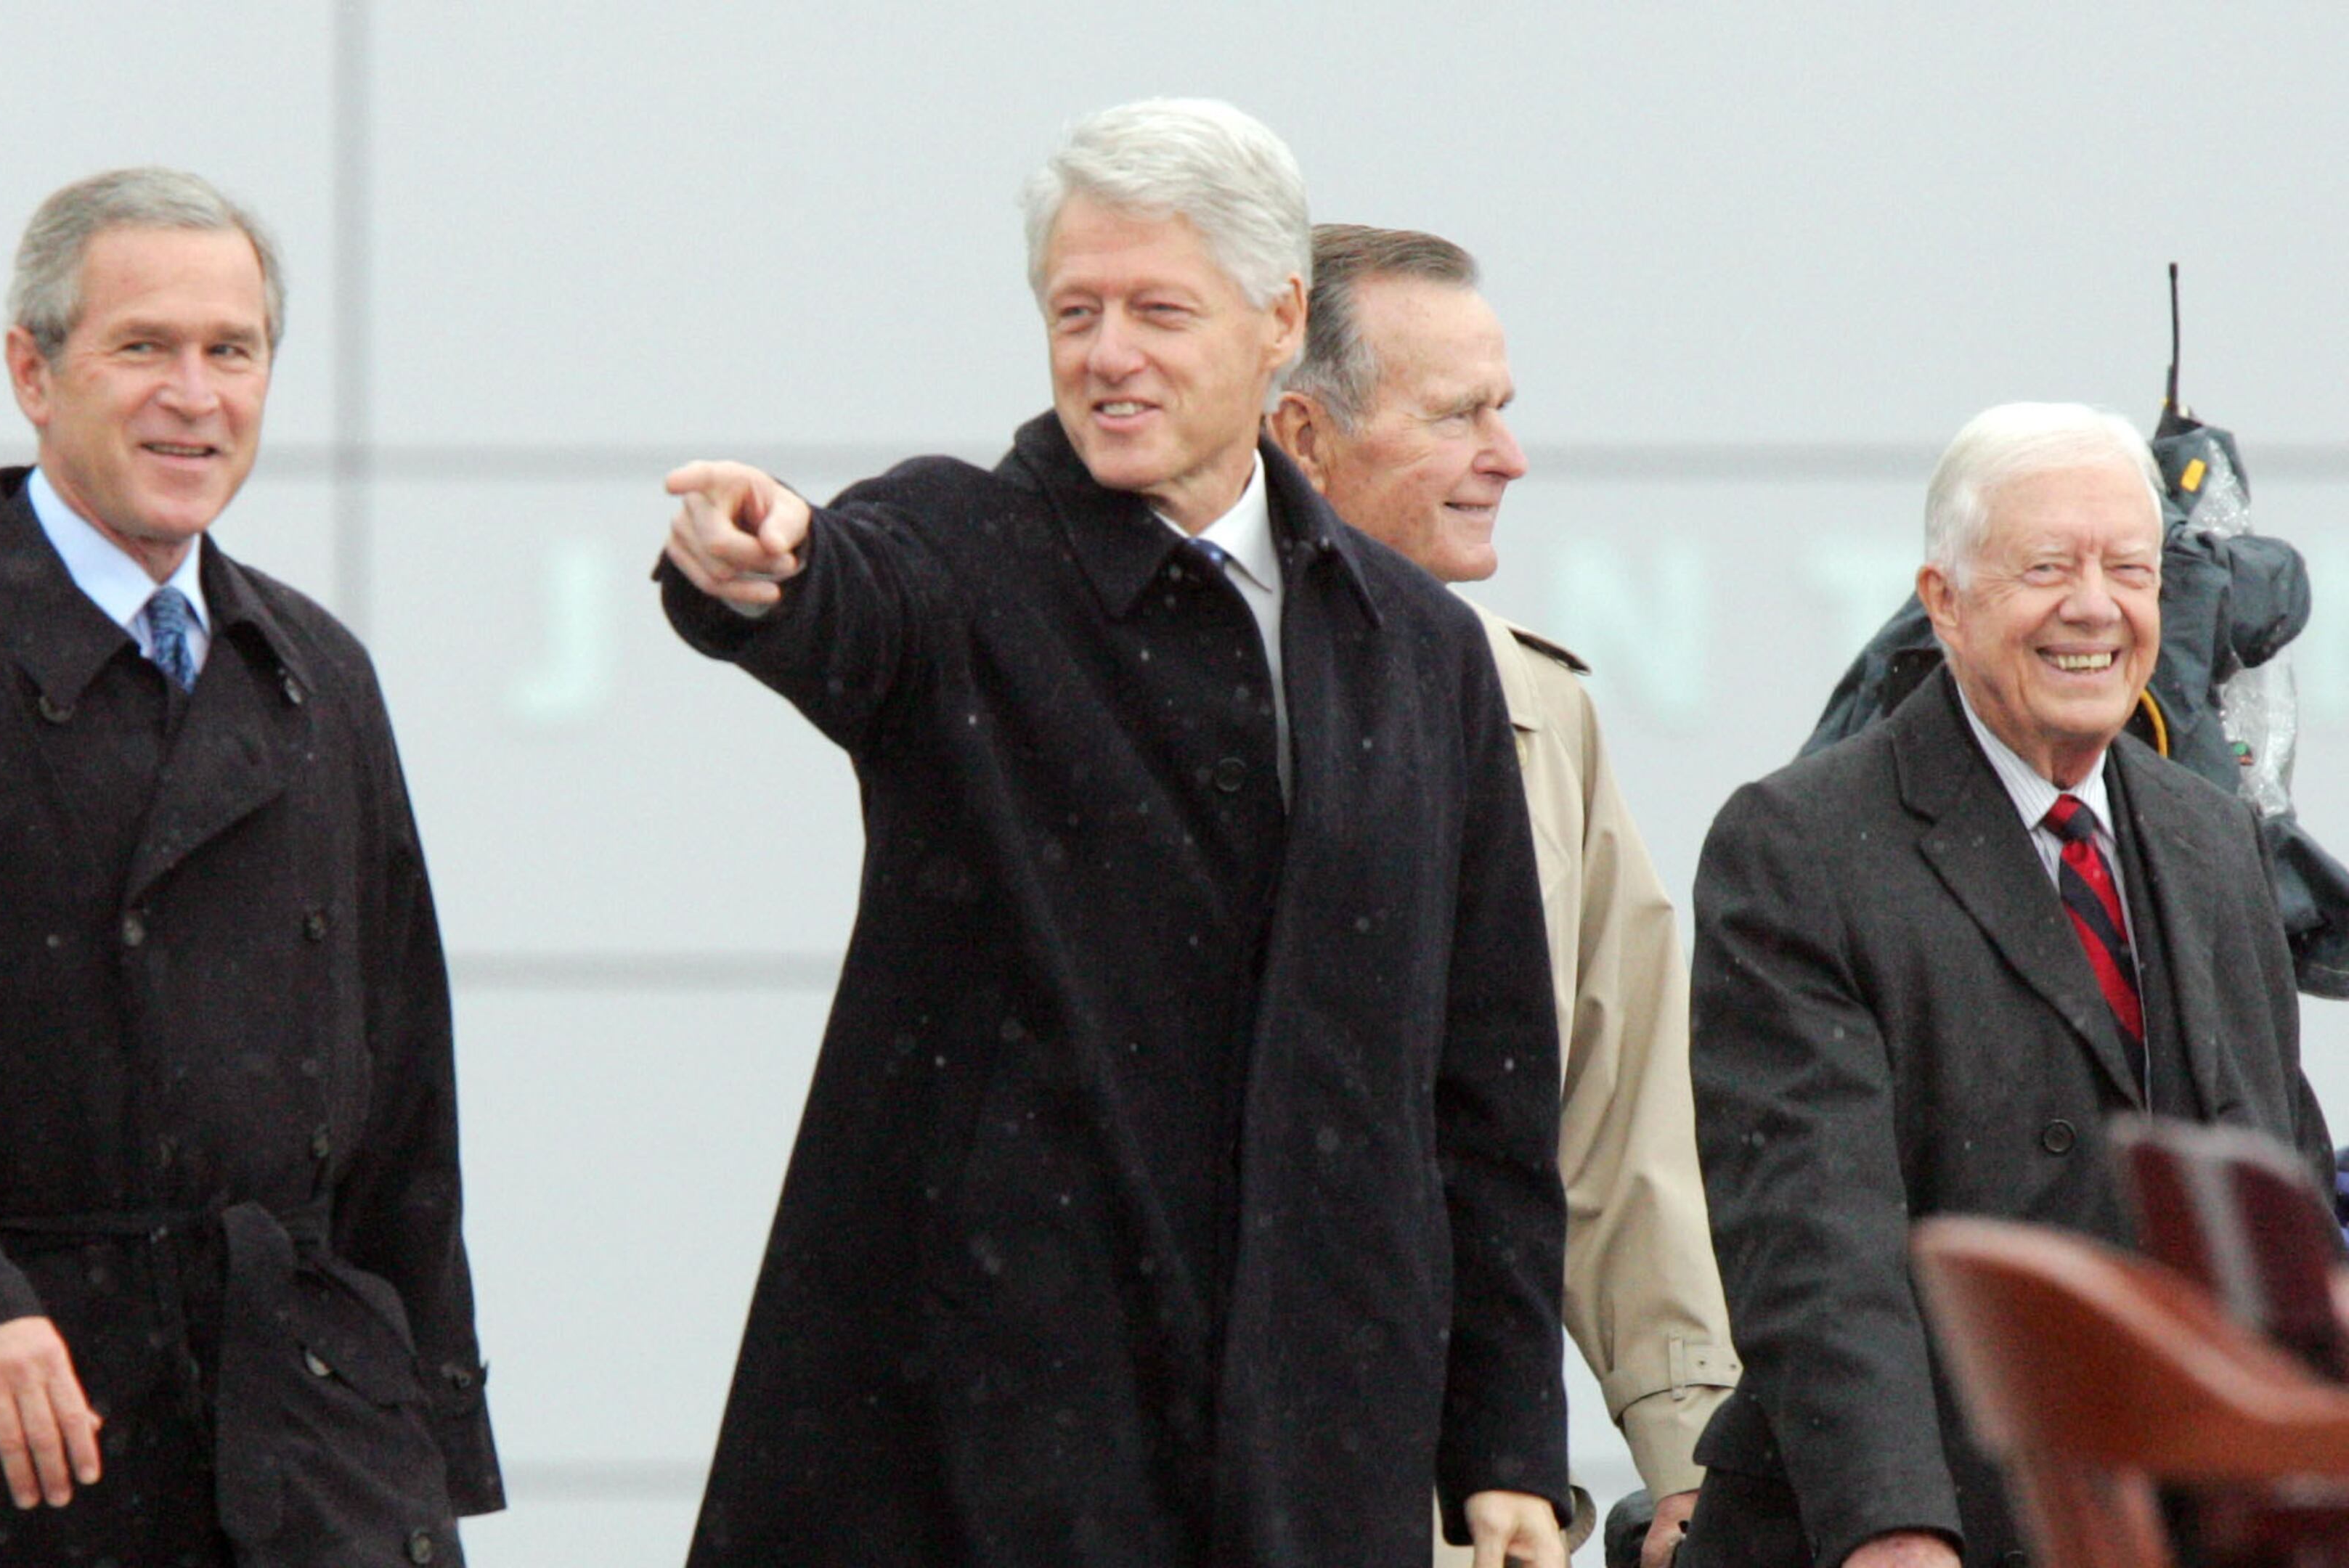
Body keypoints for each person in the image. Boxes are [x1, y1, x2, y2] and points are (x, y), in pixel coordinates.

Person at [658, 99, 1570, 1567]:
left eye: (1158, 310)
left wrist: (1507, 1436)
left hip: (1321, 1437)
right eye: (1074, 311)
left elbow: (1487, 1085)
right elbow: (845, 593)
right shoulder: (960, 552)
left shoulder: (1417, 648)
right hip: (1001, 1431)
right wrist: (760, 566)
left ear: (1278, 322)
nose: (1107, 353)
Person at [0, 168, 500, 1566]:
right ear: (32, 369)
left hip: (294, 1449)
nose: (196, 396)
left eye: (231, 352)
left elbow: (402, 1094)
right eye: (145, 348)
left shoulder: (317, 674)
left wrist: (415, 1424)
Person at [1682, 403, 2332, 1568]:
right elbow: (1817, 1243)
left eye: (2130, 570)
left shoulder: (2208, 836)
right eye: (2046, 568)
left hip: (2172, 1521)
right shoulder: (1797, 844)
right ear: (1944, 601)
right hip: (1920, 1514)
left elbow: (2273, 1187)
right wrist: (1892, 1525)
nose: (2095, 607)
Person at [1269, 224, 1739, 1568]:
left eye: (1505, 411)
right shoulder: (1160, 694)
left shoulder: (1540, 708)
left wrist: (1693, 1449)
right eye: (1460, 415)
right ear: (1303, 435)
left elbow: (1619, 1118)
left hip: (1469, 1502)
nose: (1508, 457)